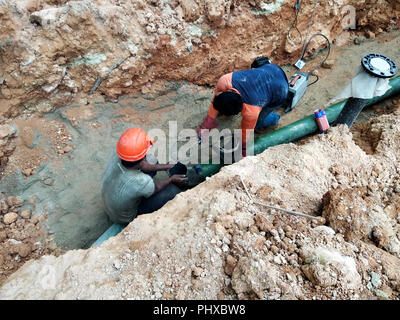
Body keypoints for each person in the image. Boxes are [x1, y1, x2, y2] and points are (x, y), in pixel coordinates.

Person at [197, 57, 289, 157]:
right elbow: (215, 101)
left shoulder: (251, 112)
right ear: (225, 92)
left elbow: (246, 133)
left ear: (239, 111)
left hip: (280, 89)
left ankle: (274, 118)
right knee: (222, 105)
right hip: (270, 69)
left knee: (258, 122)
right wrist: (206, 125)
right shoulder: (224, 81)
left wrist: (242, 149)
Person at [101, 127, 187, 224]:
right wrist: (171, 179)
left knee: (151, 160)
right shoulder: (142, 180)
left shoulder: (119, 155)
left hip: (110, 201)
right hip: (123, 218)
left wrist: (166, 166)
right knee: (172, 191)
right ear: (141, 160)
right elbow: (156, 188)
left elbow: (142, 164)